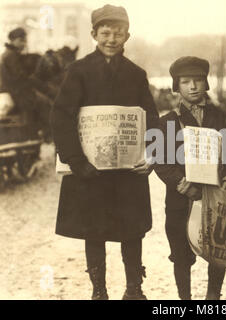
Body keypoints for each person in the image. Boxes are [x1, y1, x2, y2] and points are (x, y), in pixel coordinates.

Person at [50, 4, 159, 300]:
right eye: (105, 33)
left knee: (132, 229)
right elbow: (62, 116)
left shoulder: (136, 74)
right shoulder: (78, 71)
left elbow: (151, 117)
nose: (112, 39)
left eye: (118, 33)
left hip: (127, 169)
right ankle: (99, 290)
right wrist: (77, 160)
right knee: (93, 229)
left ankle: (134, 287)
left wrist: (152, 155)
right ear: (94, 34)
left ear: (127, 35)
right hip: (90, 169)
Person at [154, 56, 226, 300]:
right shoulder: (167, 121)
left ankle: (213, 297)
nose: (193, 86)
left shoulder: (220, 116)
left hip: (216, 196)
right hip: (181, 198)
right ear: (176, 86)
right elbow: (161, 162)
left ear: (206, 83)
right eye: (185, 81)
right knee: (181, 253)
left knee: (219, 250)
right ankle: (185, 300)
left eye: (198, 80)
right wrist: (182, 184)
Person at [0, 27, 52, 140]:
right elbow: (21, 77)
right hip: (17, 92)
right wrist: (40, 85)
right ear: (14, 40)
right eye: (22, 40)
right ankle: (43, 135)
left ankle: (38, 134)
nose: (24, 43)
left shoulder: (9, 54)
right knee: (44, 103)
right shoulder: (11, 56)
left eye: (24, 40)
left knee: (40, 99)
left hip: (15, 90)